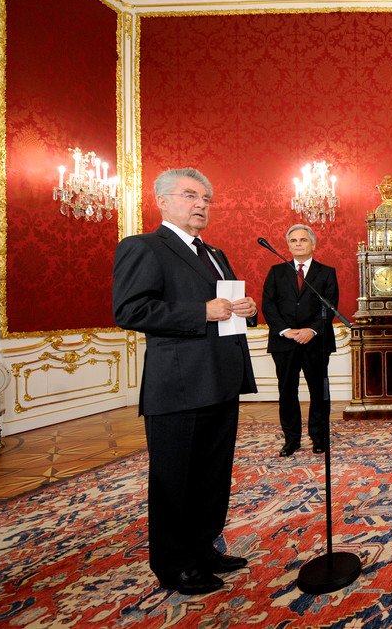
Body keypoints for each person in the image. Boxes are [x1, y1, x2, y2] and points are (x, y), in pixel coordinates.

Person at [113, 168, 258, 595]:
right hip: (177, 386)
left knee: (213, 475)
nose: (201, 205)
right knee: (175, 480)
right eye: (190, 195)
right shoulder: (143, 247)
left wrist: (248, 309)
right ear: (162, 201)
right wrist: (201, 312)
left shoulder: (215, 252)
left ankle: (204, 548)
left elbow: (226, 307)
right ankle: (174, 565)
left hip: (222, 379)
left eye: (206, 198)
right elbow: (131, 310)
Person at [262, 224, 339, 456]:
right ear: (288, 245)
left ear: (313, 244)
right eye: (293, 241)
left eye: (303, 240)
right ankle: (291, 439)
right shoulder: (276, 271)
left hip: (315, 341)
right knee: (287, 392)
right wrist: (285, 330)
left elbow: (330, 306)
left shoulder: (326, 272)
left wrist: (311, 330)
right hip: (284, 342)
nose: (298, 244)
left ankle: (318, 437)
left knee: (319, 391)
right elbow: (269, 305)